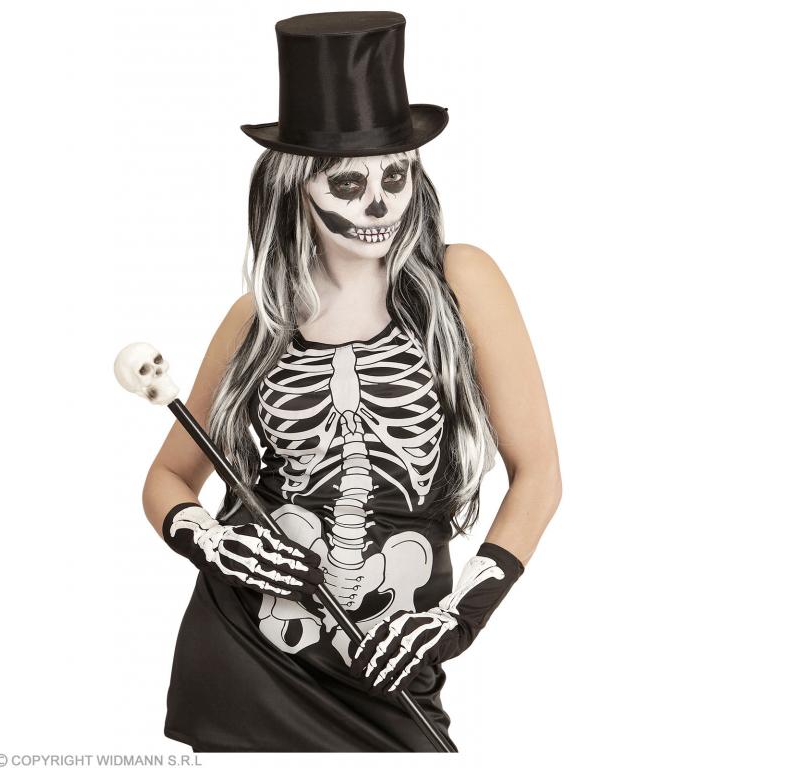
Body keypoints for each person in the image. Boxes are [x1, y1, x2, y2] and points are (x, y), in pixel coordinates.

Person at [139, 11, 561, 752]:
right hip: (249, 654)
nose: (379, 204)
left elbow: (540, 476)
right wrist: (213, 541)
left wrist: (456, 617)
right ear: (294, 187)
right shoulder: (259, 318)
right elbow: (168, 477)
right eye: (348, 181)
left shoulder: (460, 281)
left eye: (395, 175)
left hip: (394, 663)